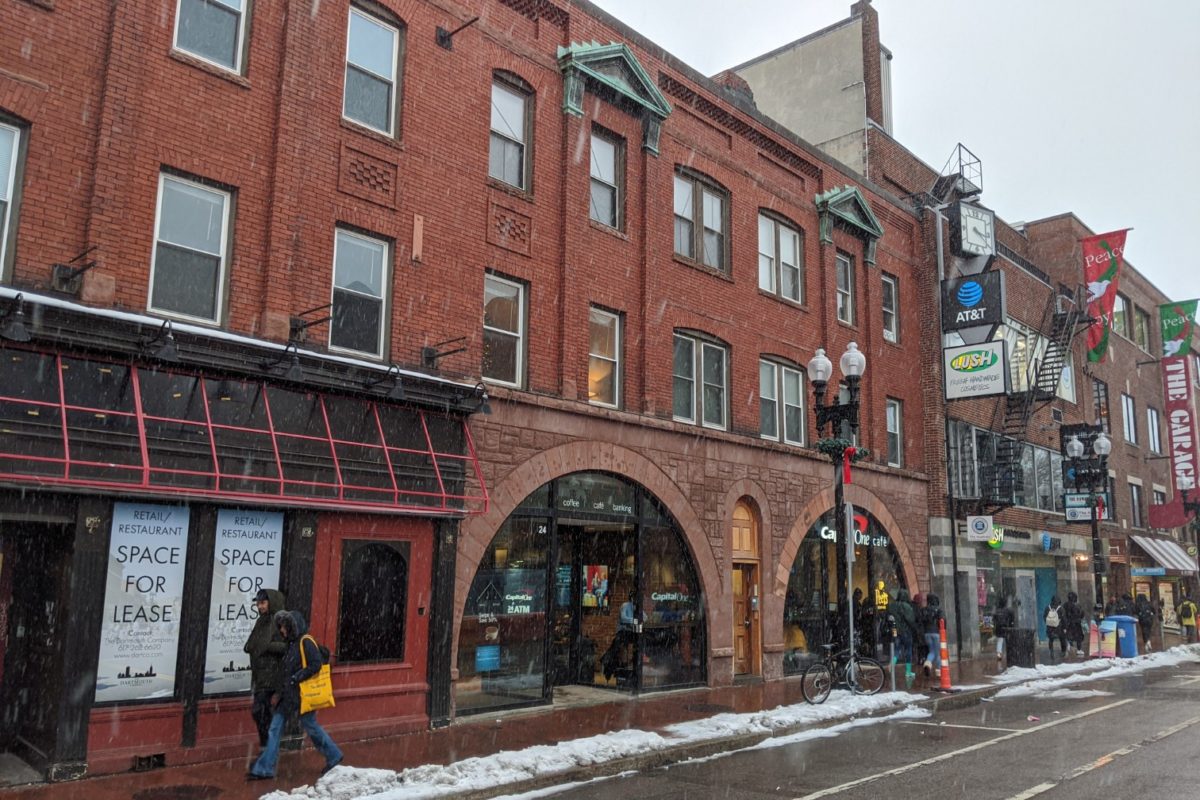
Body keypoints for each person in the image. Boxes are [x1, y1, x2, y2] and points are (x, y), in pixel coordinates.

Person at [247, 611, 343, 781]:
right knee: (278, 728)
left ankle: (333, 755)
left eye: (284, 626)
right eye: (280, 627)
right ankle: (265, 768)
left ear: (292, 626)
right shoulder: (292, 644)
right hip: (290, 696)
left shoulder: (305, 642)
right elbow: (287, 671)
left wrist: (296, 678)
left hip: (301, 696)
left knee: (308, 727)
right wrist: (281, 689)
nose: (281, 630)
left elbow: (315, 665)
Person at [243, 588, 287, 747]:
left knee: (260, 710)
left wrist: (268, 647)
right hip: (259, 674)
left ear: (271, 602)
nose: (259, 606)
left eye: (263, 603)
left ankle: (268, 745)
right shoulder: (261, 621)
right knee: (262, 711)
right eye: (258, 603)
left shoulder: (280, 621)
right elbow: (252, 643)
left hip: (271, 674)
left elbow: (288, 646)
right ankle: (268, 745)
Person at [891, 588, 918, 686]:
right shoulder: (907, 607)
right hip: (906, 632)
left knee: (897, 649)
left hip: (896, 632)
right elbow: (911, 620)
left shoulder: (892, 606)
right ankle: (908, 672)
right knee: (908, 651)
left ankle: (892, 663)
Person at [918, 593, 944, 676]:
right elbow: (943, 620)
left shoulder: (923, 610)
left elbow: (920, 622)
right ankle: (939, 671)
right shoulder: (938, 610)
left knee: (932, 651)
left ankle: (928, 663)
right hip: (936, 633)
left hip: (927, 634)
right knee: (938, 653)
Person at [993, 596, 1015, 664]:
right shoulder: (1008, 610)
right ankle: (1009, 653)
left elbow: (994, 619)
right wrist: (1011, 624)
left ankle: (999, 654)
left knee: (1000, 641)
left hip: (998, 628)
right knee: (1008, 640)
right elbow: (1012, 617)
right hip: (1006, 627)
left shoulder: (997, 611)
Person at [1043, 596, 1067, 660]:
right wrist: (1064, 627)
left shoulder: (1047, 608)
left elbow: (1044, 617)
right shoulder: (1061, 608)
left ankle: (1051, 651)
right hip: (1059, 627)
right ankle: (1063, 651)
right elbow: (1064, 619)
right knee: (1062, 639)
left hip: (1050, 628)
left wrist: (1049, 623)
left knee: (1051, 640)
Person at [1063, 592, 1085, 657]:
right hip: (1076, 624)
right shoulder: (1076, 605)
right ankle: (1078, 649)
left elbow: (1064, 614)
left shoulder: (1065, 605)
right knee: (1079, 638)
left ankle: (1069, 644)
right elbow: (1081, 614)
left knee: (1069, 636)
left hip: (1068, 624)